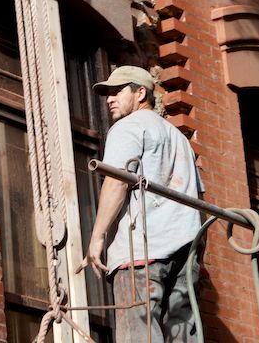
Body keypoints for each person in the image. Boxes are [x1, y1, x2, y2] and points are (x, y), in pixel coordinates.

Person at [76, 65, 203, 342]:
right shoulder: (180, 140)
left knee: (139, 332)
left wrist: (97, 238)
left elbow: (116, 182)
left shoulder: (128, 127)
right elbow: (198, 198)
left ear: (140, 92)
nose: (109, 99)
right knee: (181, 335)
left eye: (117, 91)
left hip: (141, 251)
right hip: (185, 252)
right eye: (107, 93)